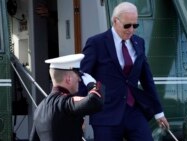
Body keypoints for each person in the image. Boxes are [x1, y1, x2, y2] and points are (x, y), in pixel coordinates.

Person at [80, 2, 170, 141]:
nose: (131, 30)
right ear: (115, 21)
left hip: (133, 111)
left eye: (135, 25)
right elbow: (83, 74)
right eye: (127, 25)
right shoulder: (96, 43)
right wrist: (78, 114)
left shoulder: (139, 43)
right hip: (106, 114)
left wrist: (159, 112)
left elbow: (147, 79)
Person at [30, 54, 104, 141]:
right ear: (68, 79)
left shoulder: (40, 108)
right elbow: (95, 101)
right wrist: (93, 85)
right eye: (78, 76)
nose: (80, 80)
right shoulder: (65, 102)